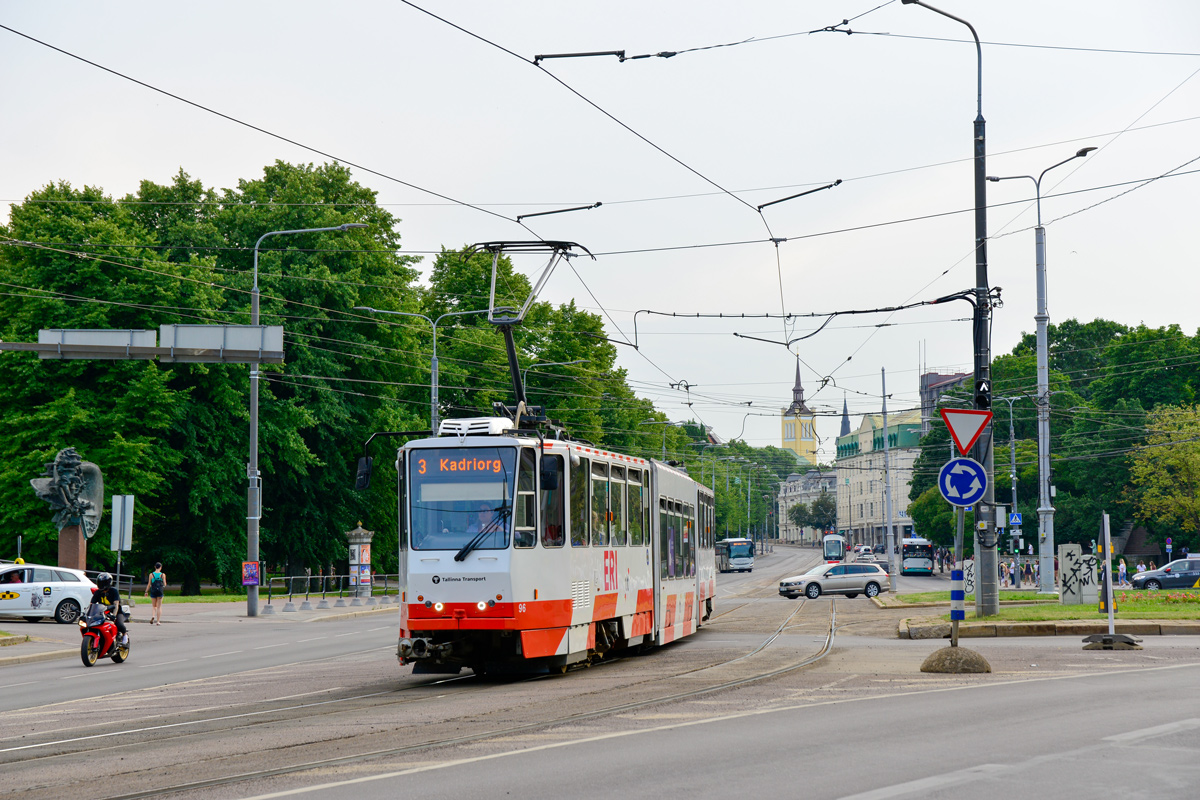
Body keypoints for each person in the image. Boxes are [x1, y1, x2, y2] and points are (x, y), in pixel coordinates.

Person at [91, 572, 128, 645]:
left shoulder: (113, 591)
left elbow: (116, 604)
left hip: (116, 612)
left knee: (119, 624)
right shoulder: (97, 592)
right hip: (102, 612)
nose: (101, 585)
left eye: (103, 583)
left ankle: (125, 635)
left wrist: (114, 616)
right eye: (100, 583)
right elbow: (92, 604)